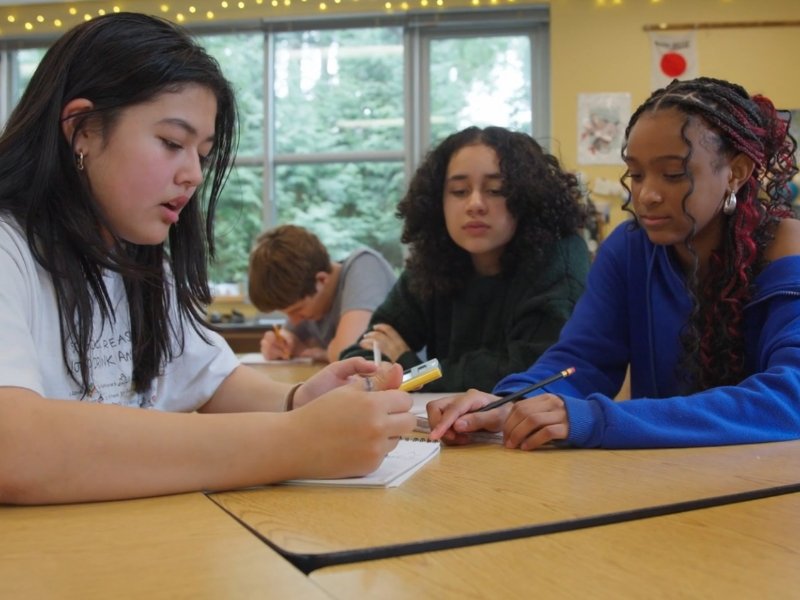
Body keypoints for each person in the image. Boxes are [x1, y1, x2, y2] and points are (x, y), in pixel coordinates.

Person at [0, 13, 414, 506]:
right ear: (83, 129)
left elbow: (209, 378)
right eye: (172, 143)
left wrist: (301, 401)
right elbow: (16, 447)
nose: (194, 175)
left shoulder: (139, 262)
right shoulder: (11, 249)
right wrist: (297, 441)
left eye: (202, 153)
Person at [428, 77, 800, 449]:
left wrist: (601, 419)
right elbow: (580, 361)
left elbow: (790, 398)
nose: (647, 195)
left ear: (736, 172)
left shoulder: (787, 249)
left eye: (673, 174)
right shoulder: (629, 249)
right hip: (666, 480)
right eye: (636, 175)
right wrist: (510, 403)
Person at [340, 126, 591, 392]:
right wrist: (372, 376)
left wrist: (410, 369)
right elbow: (367, 350)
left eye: (495, 189)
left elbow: (526, 373)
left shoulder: (559, 260)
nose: (475, 204)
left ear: (526, 197)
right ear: (439, 202)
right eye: (459, 191)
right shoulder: (435, 258)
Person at [248, 225, 396, 363]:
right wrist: (280, 345)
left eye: (297, 310)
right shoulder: (306, 294)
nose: (294, 321)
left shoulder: (365, 266)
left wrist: (319, 352)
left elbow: (349, 353)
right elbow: (291, 342)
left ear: (321, 279)